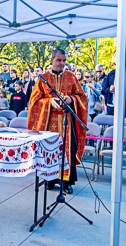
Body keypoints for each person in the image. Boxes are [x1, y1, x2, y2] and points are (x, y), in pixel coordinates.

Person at [27, 48, 88, 194]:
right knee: (50, 151)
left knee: (67, 152)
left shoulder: (72, 77)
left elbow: (82, 97)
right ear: (52, 60)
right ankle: (50, 180)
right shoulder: (43, 78)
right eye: (59, 60)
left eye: (64, 60)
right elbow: (34, 101)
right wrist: (49, 102)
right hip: (49, 121)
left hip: (67, 120)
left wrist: (70, 99)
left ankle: (66, 182)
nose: (62, 63)